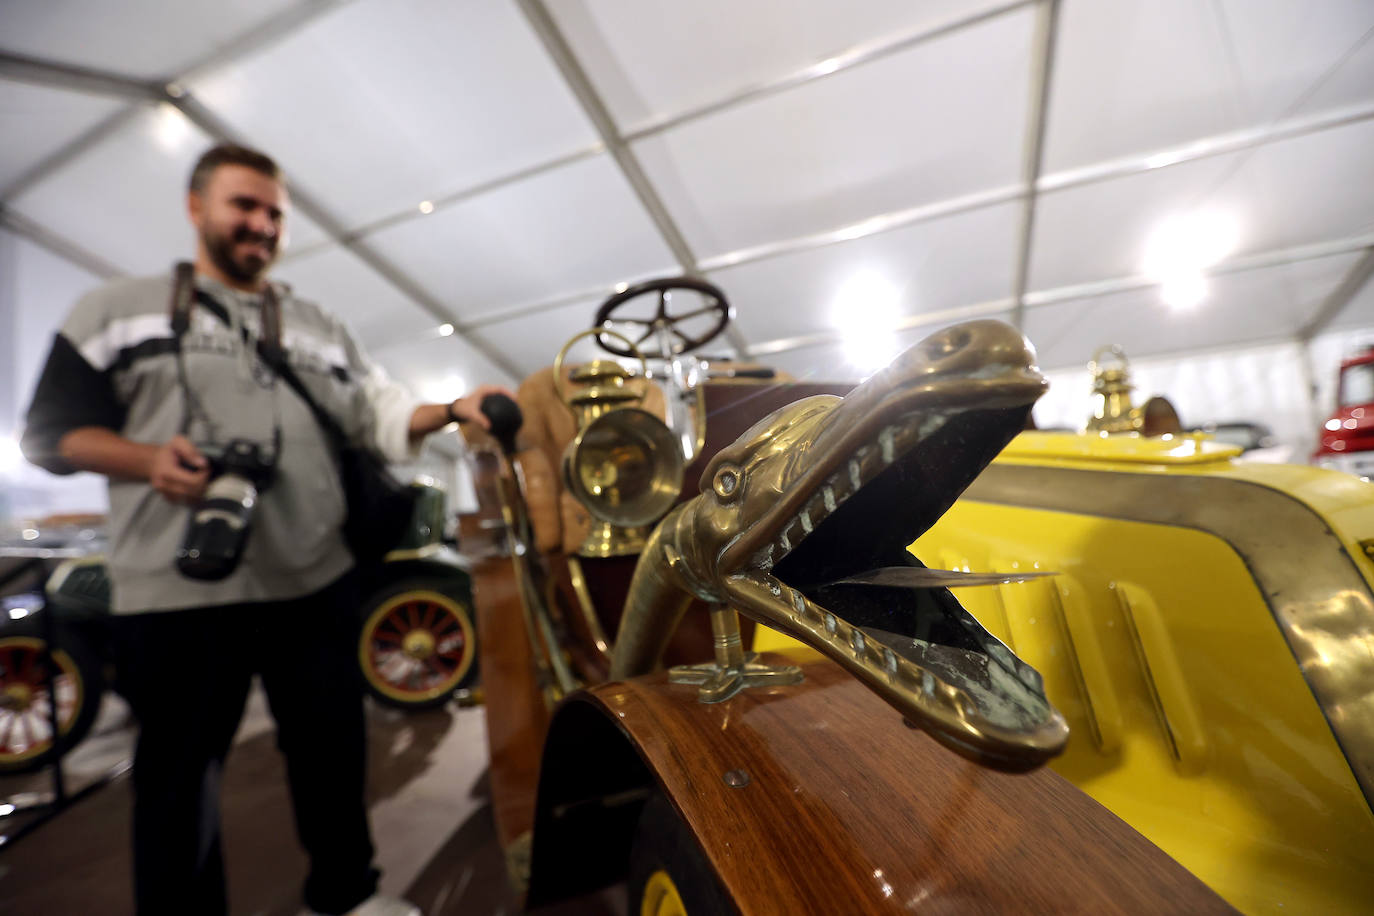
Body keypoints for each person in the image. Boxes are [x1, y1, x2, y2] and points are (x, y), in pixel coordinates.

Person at [21, 143, 511, 916]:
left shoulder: (318, 325)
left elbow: (378, 411)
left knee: (332, 755)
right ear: (196, 207)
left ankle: (347, 896)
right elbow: (50, 434)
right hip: (177, 590)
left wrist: (450, 409)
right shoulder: (116, 310)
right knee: (179, 781)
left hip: (310, 580)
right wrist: (148, 458)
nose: (261, 224)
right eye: (243, 206)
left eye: (275, 213)